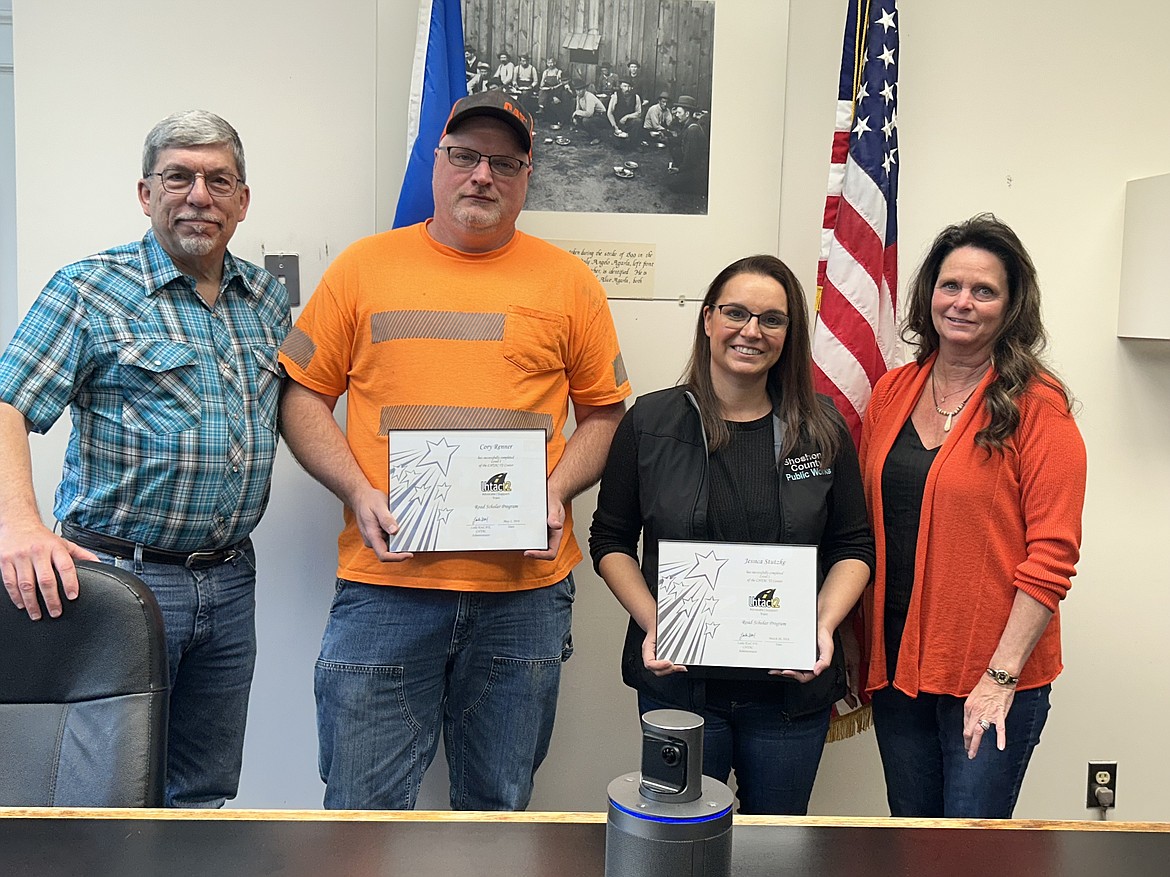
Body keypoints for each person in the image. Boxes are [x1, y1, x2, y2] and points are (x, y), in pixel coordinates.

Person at [278, 90, 631, 811]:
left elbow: (604, 414)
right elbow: (300, 396)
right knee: (360, 814)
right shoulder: (360, 269)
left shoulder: (570, 283)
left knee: (498, 809)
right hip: (387, 585)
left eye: (504, 162)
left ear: (527, 177)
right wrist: (358, 490)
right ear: (435, 164)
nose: (482, 176)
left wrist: (554, 491)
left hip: (522, 594)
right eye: (464, 156)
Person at [0, 110, 290, 808]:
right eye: (179, 177)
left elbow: (301, 408)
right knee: (103, 793)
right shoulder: (88, 289)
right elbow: (7, 402)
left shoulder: (269, 298)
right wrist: (19, 527)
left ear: (243, 200)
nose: (199, 195)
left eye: (219, 180)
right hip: (120, 583)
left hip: (229, 581)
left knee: (205, 790)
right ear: (145, 192)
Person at [589, 255, 874, 815]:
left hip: (789, 693)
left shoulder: (821, 426)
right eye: (736, 313)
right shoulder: (649, 422)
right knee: (679, 843)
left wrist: (821, 624)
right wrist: (655, 623)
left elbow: (853, 546)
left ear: (789, 335)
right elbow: (611, 539)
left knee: (775, 847)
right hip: (680, 685)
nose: (751, 331)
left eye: (771, 319)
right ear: (707, 320)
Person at [859, 214, 1087, 819]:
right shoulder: (892, 391)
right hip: (899, 670)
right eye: (950, 285)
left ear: (1011, 307)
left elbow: (1053, 556)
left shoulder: (1039, 408)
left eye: (984, 290)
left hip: (990, 680)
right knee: (911, 842)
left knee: (968, 852)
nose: (962, 302)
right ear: (928, 293)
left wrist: (1001, 679)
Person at [667, 95, 710, 194]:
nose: (676, 115)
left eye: (679, 112)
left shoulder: (693, 130)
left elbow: (691, 159)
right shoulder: (687, 124)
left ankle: (700, 185)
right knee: (674, 148)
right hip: (693, 163)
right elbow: (678, 140)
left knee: (672, 184)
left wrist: (679, 169)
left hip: (698, 167)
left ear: (687, 114)